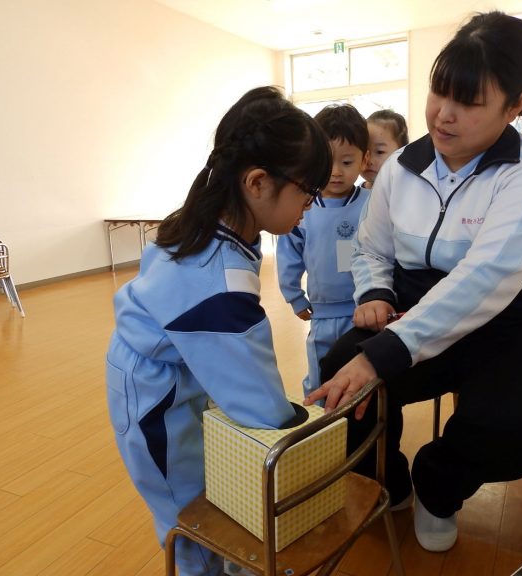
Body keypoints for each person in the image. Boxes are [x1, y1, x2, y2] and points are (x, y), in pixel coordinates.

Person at [305, 11, 522, 553]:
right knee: (342, 379)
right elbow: (371, 246)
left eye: (469, 102)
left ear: (517, 104)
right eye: (439, 93)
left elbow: (483, 282)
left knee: (520, 425)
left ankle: (438, 485)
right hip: (412, 308)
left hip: (510, 320)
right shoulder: (402, 167)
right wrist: (375, 292)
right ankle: (390, 483)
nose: (443, 115)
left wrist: (384, 353)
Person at [106, 86, 331, 576]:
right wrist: (305, 432)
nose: (311, 206)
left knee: (211, 495)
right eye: (307, 193)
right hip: (153, 400)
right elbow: (257, 401)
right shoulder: (218, 286)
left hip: (166, 373)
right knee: (189, 519)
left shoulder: (205, 225)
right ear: (257, 183)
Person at [276, 103, 370, 398]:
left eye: (347, 162)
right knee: (320, 371)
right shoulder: (303, 206)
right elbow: (288, 253)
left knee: (359, 376)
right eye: (328, 162)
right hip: (322, 312)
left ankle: (358, 417)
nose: (336, 172)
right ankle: (321, 417)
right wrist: (294, 296)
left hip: (363, 310)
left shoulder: (371, 203)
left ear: (364, 159)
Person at [361, 109, 409, 188]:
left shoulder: (408, 192)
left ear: (402, 151)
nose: (369, 161)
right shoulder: (349, 194)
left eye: (380, 152)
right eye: (364, 151)